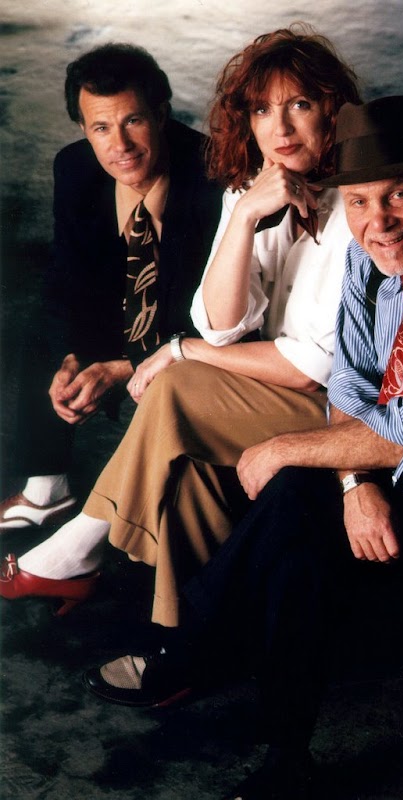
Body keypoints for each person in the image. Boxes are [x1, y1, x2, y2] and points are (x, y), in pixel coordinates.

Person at [82, 95, 403, 800]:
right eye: (360, 201)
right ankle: (280, 748)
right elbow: (350, 383)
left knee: (289, 499)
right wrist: (354, 484)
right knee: (296, 518)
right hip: (383, 471)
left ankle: (199, 650)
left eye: (398, 195)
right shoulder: (369, 255)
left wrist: (286, 448)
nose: (378, 220)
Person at [0, 26, 361, 624]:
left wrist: (175, 351)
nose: (280, 128)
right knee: (185, 468)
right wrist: (244, 217)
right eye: (262, 110)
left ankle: (79, 546)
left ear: (332, 109)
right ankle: (179, 641)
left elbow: (306, 366)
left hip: (346, 413)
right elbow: (219, 327)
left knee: (173, 388)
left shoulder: (354, 204)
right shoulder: (251, 186)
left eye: (299, 105)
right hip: (264, 380)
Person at [0, 43, 223, 533]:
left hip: (192, 333)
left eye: (133, 121)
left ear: (160, 115)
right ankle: (47, 489)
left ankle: (121, 518)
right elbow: (66, 278)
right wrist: (72, 359)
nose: (119, 144)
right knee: (42, 325)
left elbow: (214, 314)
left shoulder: (214, 174)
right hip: (121, 312)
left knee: (181, 374)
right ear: (83, 129)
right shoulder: (75, 167)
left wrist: (125, 367)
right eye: (100, 128)